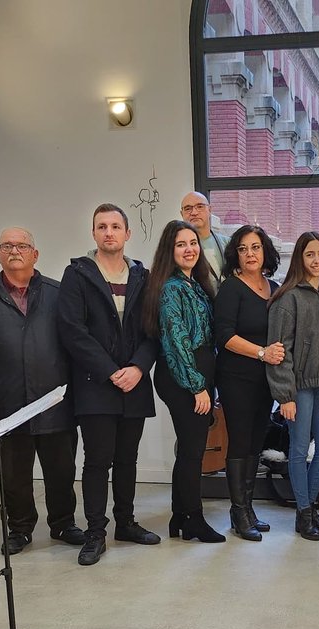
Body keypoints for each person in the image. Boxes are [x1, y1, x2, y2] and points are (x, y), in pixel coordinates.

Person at [56, 204, 160, 567]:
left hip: (134, 383)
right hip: (95, 384)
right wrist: (109, 370)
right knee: (98, 461)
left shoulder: (143, 277)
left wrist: (137, 368)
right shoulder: (77, 275)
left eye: (116, 226)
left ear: (127, 234)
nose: (109, 232)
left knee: (127, 459)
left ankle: (126, 523)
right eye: (102, 226)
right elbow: (72, 331)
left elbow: (153, 330)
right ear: (94, 233)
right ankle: (96, 532)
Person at [0, 228, 83, 558]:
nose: (15, 251)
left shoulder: (58, 293)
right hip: (5, 406)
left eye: (22, 245)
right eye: (7, 245)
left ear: (35, 254)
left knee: (61, 470)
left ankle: (63, 523)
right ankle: (19, 529)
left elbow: (74, 343)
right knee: (14, 475)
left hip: (54, 402)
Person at [142, 220, 225, 543]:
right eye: (181, 244)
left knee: (190, 451)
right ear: (169, 250)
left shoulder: (196, 283)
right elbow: (176, 340)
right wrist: (197, 386)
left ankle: (180, 516)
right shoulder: (170, 288)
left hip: (199, 371)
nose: (189, 249)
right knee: (192, 453)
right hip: (182, 376)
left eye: (192, 243)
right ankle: (193, 519)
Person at [214, 225, 285, 541]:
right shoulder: (231, 288)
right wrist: (262, 352)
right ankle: (238, 511)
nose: (250, 254)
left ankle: (248, 507)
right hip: (236, 379)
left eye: (255, 247)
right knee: (240, 442)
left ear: (265, 251)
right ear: (235, 255)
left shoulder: (274, 288)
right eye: (243, 249)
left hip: (266, 381)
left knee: (256, 442)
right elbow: (225, 337)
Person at [268, 232, 319, 541]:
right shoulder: (288, 298)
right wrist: (285, 395)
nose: (317, 260)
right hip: (297, 386)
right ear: (300, 258)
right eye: (310, 254)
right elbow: (279, 350)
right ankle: (304, 512)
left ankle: (306, 508)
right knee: (298, 449)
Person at [179, 192, 228, 295]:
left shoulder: (227, 243)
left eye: (200, 206)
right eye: (188, 208)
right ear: (181, 214)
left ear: (209, 210)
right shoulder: (177, 249)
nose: (194, 212)